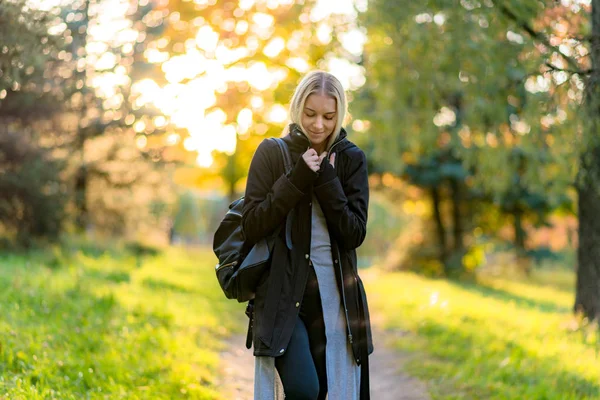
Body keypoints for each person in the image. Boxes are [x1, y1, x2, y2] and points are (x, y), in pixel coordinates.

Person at [242, 70, 373, 400]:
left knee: (329, 391)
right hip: (282, 295)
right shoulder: (272, 153)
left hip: (336, 299)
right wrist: (298, 177)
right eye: (310, 114)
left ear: (339, 114)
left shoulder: (352, 160)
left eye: (328, 117)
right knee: (304, 390)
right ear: (297, 109)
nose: (318, 125)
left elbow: (353, 234)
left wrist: (327, 180)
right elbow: (252, 224)